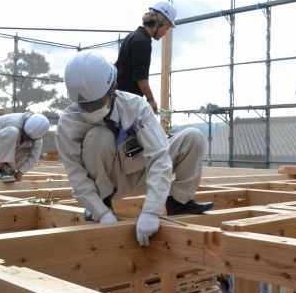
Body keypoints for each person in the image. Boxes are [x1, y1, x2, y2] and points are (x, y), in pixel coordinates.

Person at [56, 52, 214, 247]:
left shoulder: (135, 106)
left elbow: (159, 156)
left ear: (113, 88)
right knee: (99, 136)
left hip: (143, 171)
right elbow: (76, 174)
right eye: (84, 105)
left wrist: (151, 210)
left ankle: (178, 201)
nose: (91, 110)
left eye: (96, 103)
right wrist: (101, 213)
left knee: (193, 137)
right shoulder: (68, 122)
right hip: (109, 182)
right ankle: (104, 203)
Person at [114, 1, 177, 113]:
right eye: (167, 28)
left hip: (120, 97)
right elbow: (140, 77)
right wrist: (151, 100)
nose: (165, 33)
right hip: (127, 101)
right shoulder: (143, 42)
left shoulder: (133, 35)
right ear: (161, 22)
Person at [0, 112, 50, 182]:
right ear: (25, 124)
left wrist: (20, 173)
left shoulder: (37, 136)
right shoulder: (13, 120)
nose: (24, 136)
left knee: (28, 147)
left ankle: (6, 172)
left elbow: (33, 158)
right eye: (24, 133)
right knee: (13, 131)